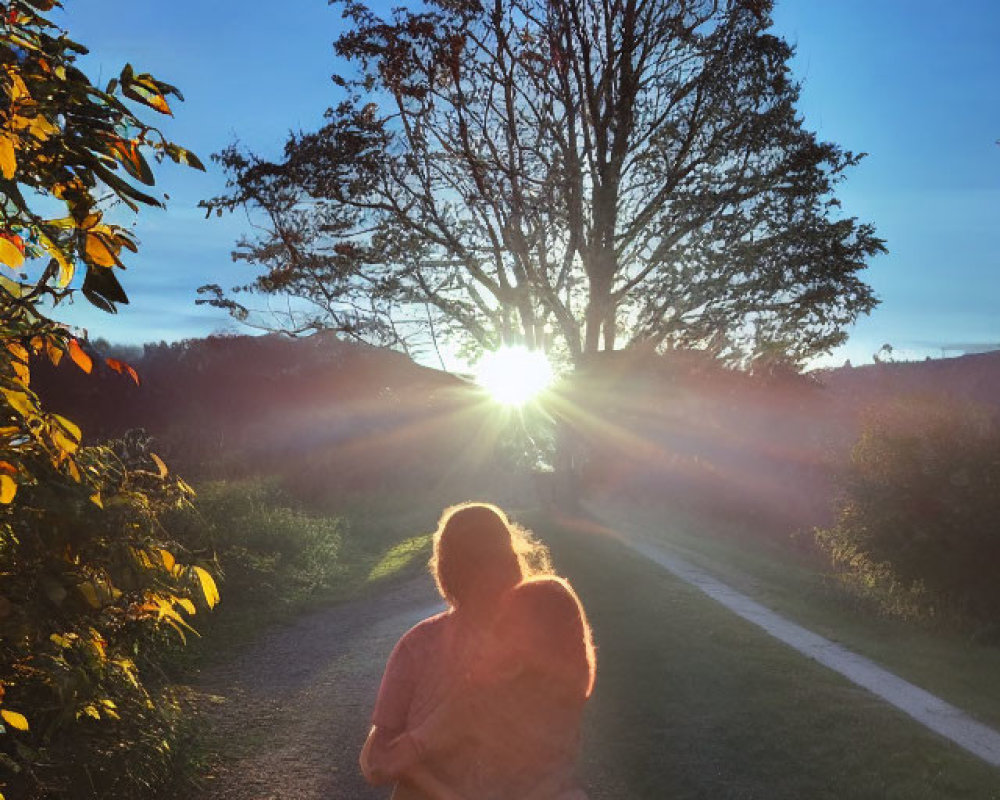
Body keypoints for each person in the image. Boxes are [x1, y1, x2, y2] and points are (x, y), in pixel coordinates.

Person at [361, 503, 595, 799]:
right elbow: (375, 762)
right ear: (514, 557)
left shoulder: (419, 644)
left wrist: (420, 751)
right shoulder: (545, 626)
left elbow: (376, 763)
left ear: (445, 568)